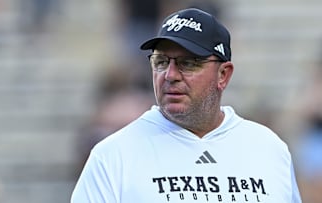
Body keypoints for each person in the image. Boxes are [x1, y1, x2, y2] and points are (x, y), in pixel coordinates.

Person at [71, 8, 301, 203]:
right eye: (161, 62)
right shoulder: (112, 155)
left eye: (188, 63)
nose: (170, 75)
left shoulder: (269, 149)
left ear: (223, 74)